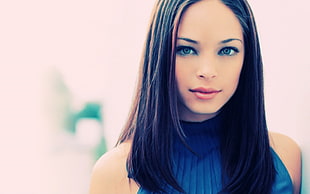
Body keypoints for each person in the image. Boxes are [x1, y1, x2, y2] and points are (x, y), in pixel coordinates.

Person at [89, 0, 301, 193]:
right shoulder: (115, 173)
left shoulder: (284, 157)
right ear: (160, 55)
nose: (207, 71)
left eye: (227, 50)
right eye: (186, 50)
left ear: (247, 58)